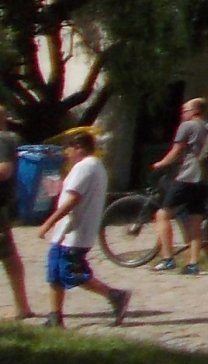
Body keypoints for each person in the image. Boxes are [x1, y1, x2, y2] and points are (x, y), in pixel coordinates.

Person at [39, 133, 128, 328]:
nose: (66, 154)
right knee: (55, 273)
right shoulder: (91, 167)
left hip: (74, 232)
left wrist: (48, 222)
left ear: (79, 147)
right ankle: (55, 315)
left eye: (68, 149)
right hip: (67, 232)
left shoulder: (85, 167)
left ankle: (115, 295)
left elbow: (73, 199)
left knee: (72, 272)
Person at [149, 95, 208, 274]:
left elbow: (176, 151)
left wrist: (160, 163)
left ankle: (167, 259)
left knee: (162, 214)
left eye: (184, 111)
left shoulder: (188, 126)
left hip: (187, 177)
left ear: (194, 111)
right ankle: (193, 264)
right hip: (205, 180)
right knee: (195, 222)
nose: (182, 114)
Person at [1, 115, 36, 321]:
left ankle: (22, 307)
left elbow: (4, 169)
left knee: (8, 256)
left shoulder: (2, 139)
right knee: (8, 256)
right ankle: (22, 306)